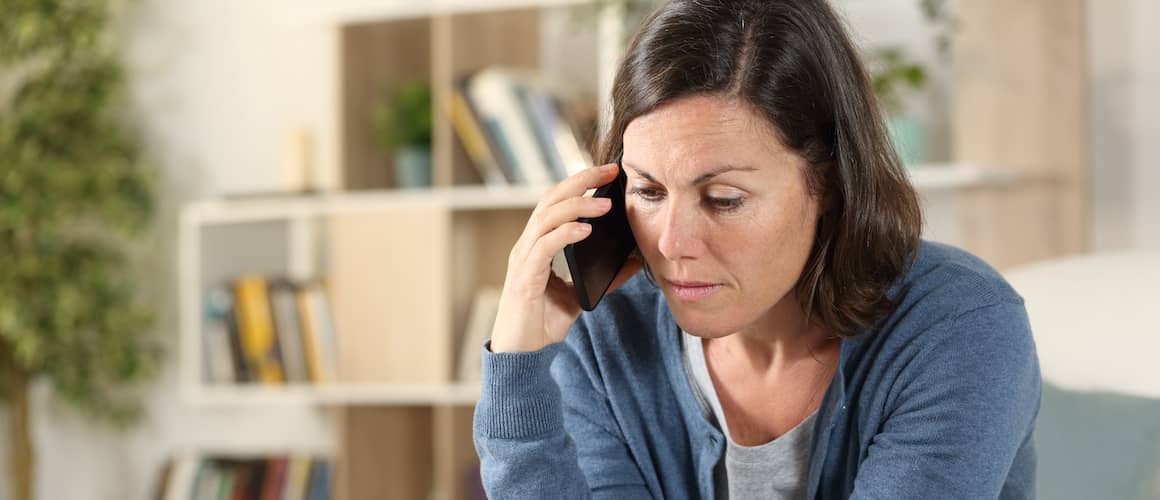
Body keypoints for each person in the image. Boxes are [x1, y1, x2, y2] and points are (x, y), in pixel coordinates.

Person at [472, 0, 1041, 498]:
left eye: (722, 199)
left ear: (829, 184)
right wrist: (520, 366)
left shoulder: (959, 325)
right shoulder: (605, 334)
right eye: (648, 190)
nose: (670, 244)